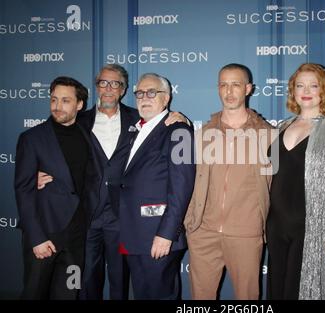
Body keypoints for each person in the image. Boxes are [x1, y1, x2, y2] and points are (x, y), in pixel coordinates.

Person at [37, 64, 188, 300]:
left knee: (122, 282)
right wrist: (37, 171)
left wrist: (178, 117)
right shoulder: (79, 120)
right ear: (96, 87)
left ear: (123, 89)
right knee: (85, 280)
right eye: (102, 83)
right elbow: (52, 143)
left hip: (124, 218)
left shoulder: (139, 117)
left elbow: (166, 129)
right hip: (88, 216)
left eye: (115, 83)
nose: (108, 88)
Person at [266, 63, 325, 300]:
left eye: (313, 85)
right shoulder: (281, 126)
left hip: (312, 227)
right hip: (276, 225)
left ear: (324, 91)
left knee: (301, 292)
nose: (306, 90)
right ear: (293, 91)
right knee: (278, 290)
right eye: (300, 85)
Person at [184, 63, 273, 300]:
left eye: (235, 84)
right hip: (203, 232)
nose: (229, 91)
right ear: (217, 88)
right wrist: (191, 222)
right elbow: (185, 180)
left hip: (246, 233)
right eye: (223, 84)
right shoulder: (202, 134)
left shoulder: (268, 135)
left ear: (248, 89)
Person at [15, 76, 100, 299]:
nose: (57, 106)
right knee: (35, 292)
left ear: (79, 105)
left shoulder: (87, 135)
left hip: (77, 236)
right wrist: (36, 238)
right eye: (53, 99)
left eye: (65, 101)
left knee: (69, 293)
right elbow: (23, 190)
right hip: (45, 233)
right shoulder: (32, 138)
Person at [118, 73, 195, 299]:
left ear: (166, 98)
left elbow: (182, 187)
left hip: (158, 236)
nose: (145, 97)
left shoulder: (179, 131)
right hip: (133, 234)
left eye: (152, 92)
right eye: (140, 93)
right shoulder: (133, 130)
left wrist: (166, 233)